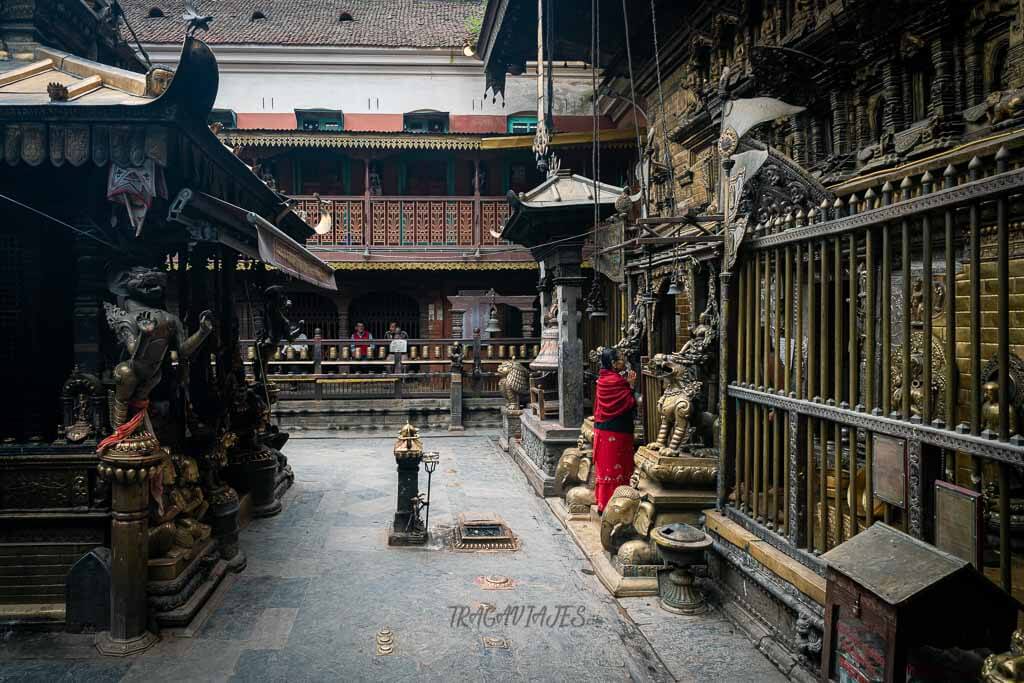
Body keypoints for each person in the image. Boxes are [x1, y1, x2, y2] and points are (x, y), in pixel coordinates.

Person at [592, 347, 637, 513]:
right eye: (621, 359)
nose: (623, 362)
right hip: (615, 431)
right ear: (613, 363)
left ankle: (603, 502)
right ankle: (615, 506)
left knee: (607, 468)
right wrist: (631, 386)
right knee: (615, 468)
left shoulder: (603, 379)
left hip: (603, 431)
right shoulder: (616, 381)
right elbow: (628, 403)